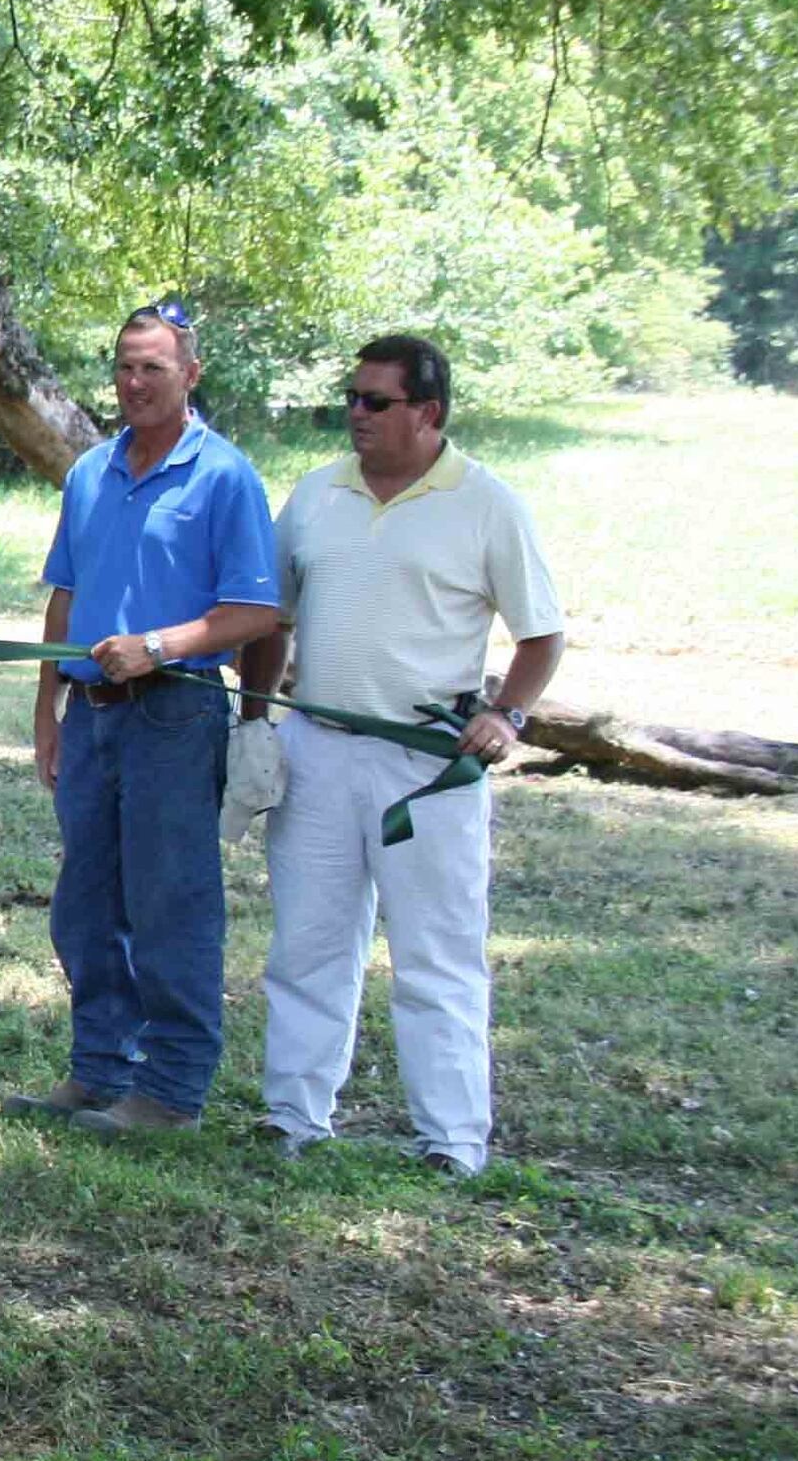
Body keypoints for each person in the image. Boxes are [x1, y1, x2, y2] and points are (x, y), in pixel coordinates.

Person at [238, 335, 563, 1175]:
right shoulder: (315, 496)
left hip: (426, 766)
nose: (356, 414)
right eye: (351, 398)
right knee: (307, 942)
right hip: (316, 746)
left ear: (429, 412)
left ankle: (452, 1140)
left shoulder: (486, 504)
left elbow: (541, 635)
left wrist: (509, 715)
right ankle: (292, 1115)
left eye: (375, 402)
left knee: (437, 952)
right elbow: (270, 619)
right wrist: (255, 721)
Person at [23, 306, 280, 1136]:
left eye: (153, 370)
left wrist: (160, 646)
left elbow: (253, 613)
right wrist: (46, 709)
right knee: (86, 905)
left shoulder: (225, 476)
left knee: (170, 904)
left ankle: (170, 1091)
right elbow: (64, 594)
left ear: (190, 376)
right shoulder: (90, 473)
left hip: (176, 712)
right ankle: (99, 1072)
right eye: (125, 368)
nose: (134, 384)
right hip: (90, 716)